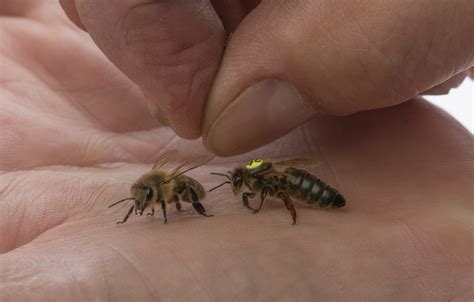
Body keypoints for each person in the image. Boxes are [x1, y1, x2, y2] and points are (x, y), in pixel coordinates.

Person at [0, 1, 471, 300]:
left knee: (289, 186)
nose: (242, 186)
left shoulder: (256, 176)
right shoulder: (237, 177)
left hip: (312, 186)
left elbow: (265, 176)